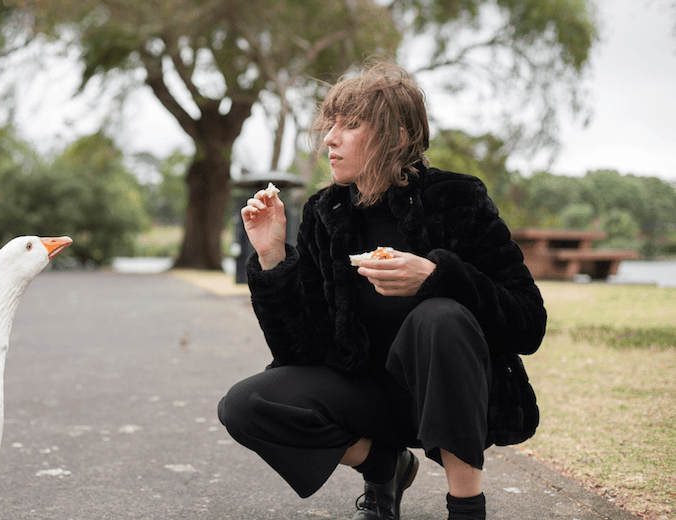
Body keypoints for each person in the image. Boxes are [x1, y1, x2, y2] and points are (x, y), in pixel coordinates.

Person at [217, 58, 547, 520]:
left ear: (399, 135)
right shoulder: (325, 213)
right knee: (246, 404)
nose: (330, 139)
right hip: (369, 396)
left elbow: (528, 324)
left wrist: (436, 278)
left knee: (441, 317)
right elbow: (300, 349)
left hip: (456, 393)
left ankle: (466, 507)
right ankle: (384, 466)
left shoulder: (456, 199)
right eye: (330, 125)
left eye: (349, 126)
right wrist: (273, 256)